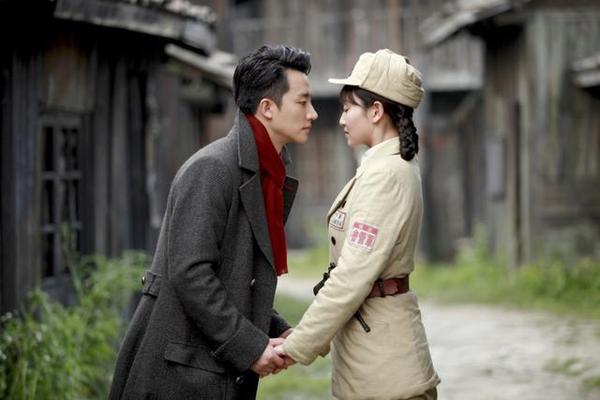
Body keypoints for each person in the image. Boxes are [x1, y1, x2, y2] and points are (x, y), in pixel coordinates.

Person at [108, 44, 318, 400]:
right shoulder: (213, 169)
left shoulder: (265, 172)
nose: (312, 113)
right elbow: (191, 274)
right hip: (179, 372)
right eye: (303, 102)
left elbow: (238, 276)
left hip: (206, 369)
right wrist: (250, 347)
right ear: (267, 108)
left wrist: (277, 329)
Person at [275, 49, 440, 399]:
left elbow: (351, 276)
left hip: (386, 368)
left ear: (376, 111)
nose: (341, 119)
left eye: (348, 108)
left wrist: (297, 344)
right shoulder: (381, 167)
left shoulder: (386, 175)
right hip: (373, 357)